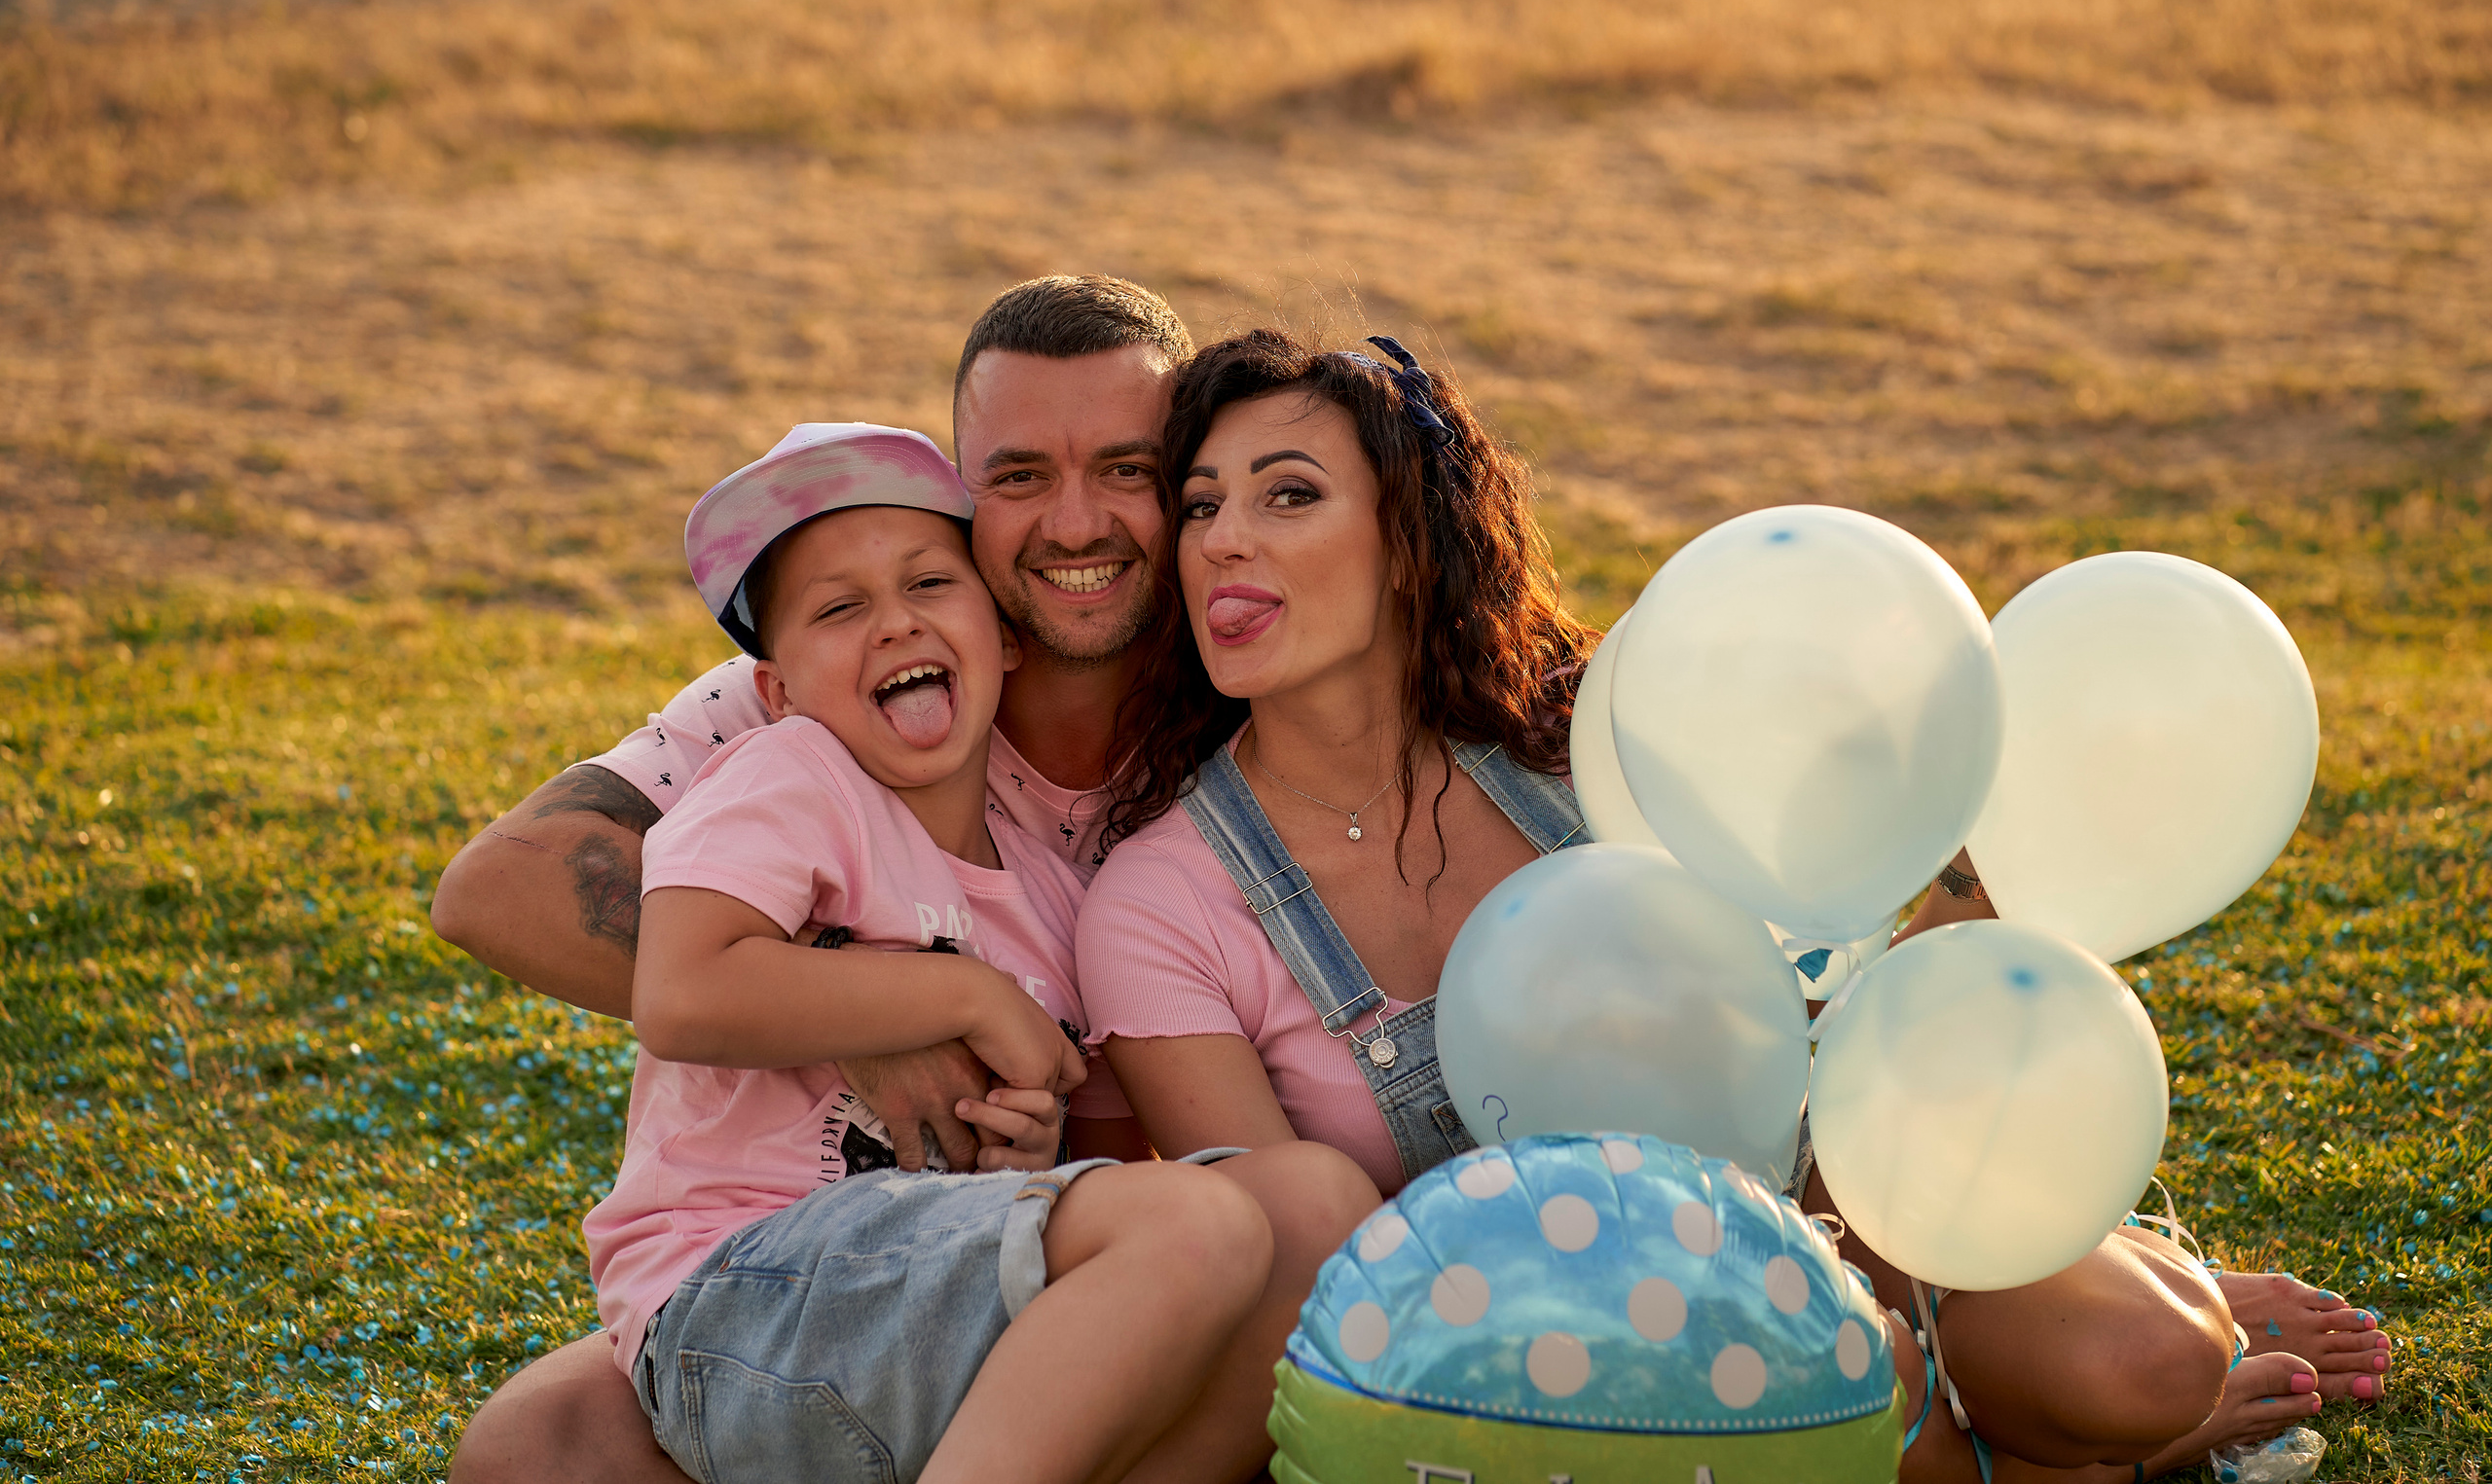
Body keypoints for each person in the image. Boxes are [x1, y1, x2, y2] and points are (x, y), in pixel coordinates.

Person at [1074, 326, 2387, 1484]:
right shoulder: (1159, 901)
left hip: (1830, 1211)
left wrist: (1967, 903)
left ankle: (2069, 1398)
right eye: (1200, 507)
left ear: (1411, 541)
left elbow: (1814, 998)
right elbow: (1305, 1287)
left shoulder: (1575, 749)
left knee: (2142, 1358)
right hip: (1546, 1349)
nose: (1224, 538)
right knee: (1903, 1420)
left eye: (1287, 493)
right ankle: (2037, 1462)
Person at [435, 277, 1382, 1484]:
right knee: (534, 1449)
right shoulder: (813, 714)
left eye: (1128, 471)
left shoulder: (1248, 682)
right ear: (965, 501)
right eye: (1020, 475)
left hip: (1055, 1248)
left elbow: (1084, 1152)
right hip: (808, 1267)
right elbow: (496, 891)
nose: (1075, 523)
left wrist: (1017, 1121)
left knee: (1272, 1217)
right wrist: (870, 1002)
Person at [587, 418, 1309, 1482]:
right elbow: (683, 993)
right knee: (1198, 1227)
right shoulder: (794, 778)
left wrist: (1024, 1152)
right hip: (732, 1298)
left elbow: (1085, 1175)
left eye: (930, 585)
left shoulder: (1062, 905)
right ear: (778, 693)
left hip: (918, 1315)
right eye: (838, 608)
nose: (893, 625)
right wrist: (963, 996)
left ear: (1004, 640)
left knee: (1302, 1205)